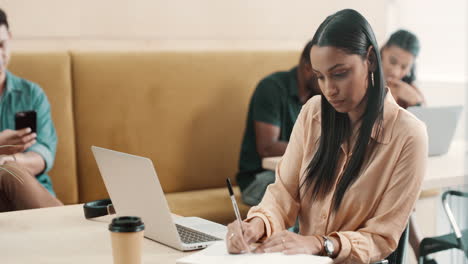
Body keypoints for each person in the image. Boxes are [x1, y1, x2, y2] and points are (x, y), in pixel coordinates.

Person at [226, 9, 428, 264]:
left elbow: (381, 238)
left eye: (340, 73)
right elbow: (283, 194)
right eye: (320, 77)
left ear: (370, 60)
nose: (329, 90)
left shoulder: (409, 135)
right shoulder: (313, 113)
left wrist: (321, 243)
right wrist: (255, 225)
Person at [236, 41, 320, 206]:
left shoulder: (320, 97)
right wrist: (318, 148)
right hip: (260, 179)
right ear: (308, 67)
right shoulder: (271, 88)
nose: (330, 83)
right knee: (310, 189)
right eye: (323, 74)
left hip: (297, 174)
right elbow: (267, 148)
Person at [0, 8, 62, 211]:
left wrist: (10, 159)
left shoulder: (31, 94)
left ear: (9, 38)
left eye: (1, 44)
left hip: (29, 191)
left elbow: (43, 154)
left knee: (8, 170)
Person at [381, 29, 424, 109]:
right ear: (383, 50)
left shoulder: (412, 92)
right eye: (392, 61)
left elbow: (428, 119)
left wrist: (417, 103)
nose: (395, 72)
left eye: (404, 67)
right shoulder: (363, 81)